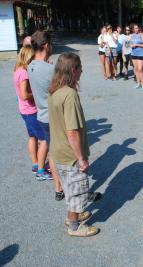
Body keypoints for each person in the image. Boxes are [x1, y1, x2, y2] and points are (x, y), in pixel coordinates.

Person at [48, 53, 99, 237]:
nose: (82, 71)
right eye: (80, 68)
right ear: (73, 70)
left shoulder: (54, 89)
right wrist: (81, 158)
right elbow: (72, 131)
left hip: (58, 151)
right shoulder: (69, 94)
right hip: (70, 155)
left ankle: (73, 216)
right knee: (77, 191)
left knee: (70, 189)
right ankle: (74, 225)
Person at [28, 31, 64, 200]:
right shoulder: (52, 69)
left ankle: (58, 189)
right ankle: (74, 188)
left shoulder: (30, 65)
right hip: (55, 117)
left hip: (42, 116)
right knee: (66, 154)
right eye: (50, 44)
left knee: (53, 153)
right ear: (46, 46)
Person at [14, 46, 50, 184]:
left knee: (32, 137)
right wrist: (36, 93)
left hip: (24, 110)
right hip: (30, 110)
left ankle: (36, 164)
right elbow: (24, 95)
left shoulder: (17, 70)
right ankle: (41, 170)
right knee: (45, 139)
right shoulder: (24, 73)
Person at [130, 24, 143, 90]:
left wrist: (138, 45)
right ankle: (138, 83)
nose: (136, 29)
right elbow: (130, 44)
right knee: (136, 69)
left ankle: (142, 84)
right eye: (135, 28)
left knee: (140, 69)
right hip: (134, 53)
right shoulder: (132, 35)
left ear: (139, 28)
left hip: (140, 53)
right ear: (133, 29)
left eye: (137, 28)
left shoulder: (141, 35)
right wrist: (132, 45)